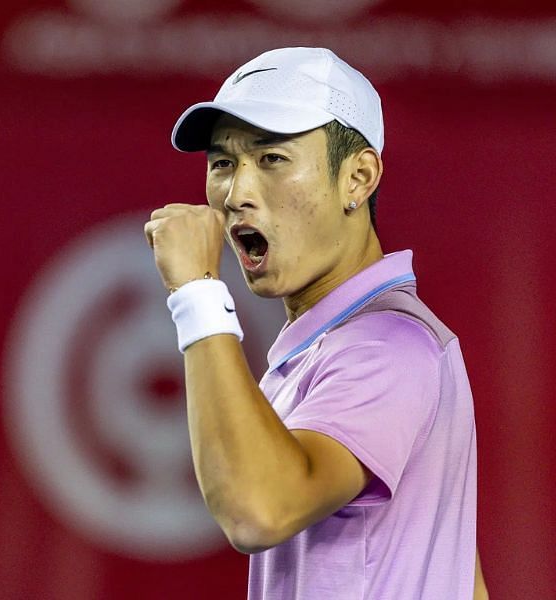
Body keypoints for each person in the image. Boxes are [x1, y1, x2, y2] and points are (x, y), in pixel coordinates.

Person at [143, 47, 487, 599]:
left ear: (358, 177)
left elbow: (257, 510)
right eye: (223, 163)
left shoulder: (386, 347)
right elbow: (455, 573)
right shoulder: (335, 345)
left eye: (272, 158)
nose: (236, 194)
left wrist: (199, 295)